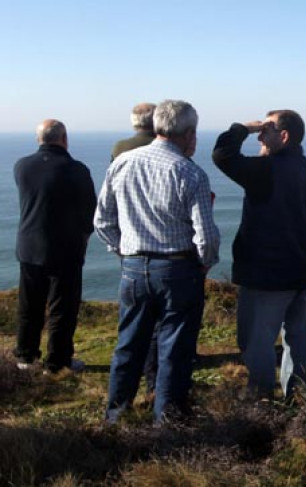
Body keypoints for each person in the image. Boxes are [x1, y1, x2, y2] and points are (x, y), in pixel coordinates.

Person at [95, 99, 219, 423]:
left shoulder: (122, 163)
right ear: (189, 133)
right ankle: (167, 423)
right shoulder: (191, 173)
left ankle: (115, 417)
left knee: (129, 345)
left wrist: (124, 253)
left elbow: (102, 222)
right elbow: (205, 236)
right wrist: (205, 263)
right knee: (174, 350)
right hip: (178, 268)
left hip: (133, 268)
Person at [212, 110, 306, 400]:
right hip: (302, 273)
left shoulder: (268, 170)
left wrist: (243, 128)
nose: (259, 135)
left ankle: (261, 400)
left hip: (266, 276)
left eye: (266, 130)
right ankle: (298, 399)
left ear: (283, 136)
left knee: (256, 342)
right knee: (298, 342)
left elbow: (223, 155)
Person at [14, 120, 96, 373]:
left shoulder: (22, 166)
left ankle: (26, 356)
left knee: (29, 305)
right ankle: (57, 361)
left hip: (29, 245)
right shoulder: (76, 169)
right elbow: (90, 210)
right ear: (64, 138)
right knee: (62, 308)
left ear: (39, 139)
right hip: (66, 247)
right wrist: (84, 234)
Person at [110, 102, 160, 394]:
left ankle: (124, 388)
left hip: (131, 235)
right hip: (163, 238)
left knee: (134, 309)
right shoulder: (166, 145)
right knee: (162, 315)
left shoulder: (120, 147)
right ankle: (155, 373)